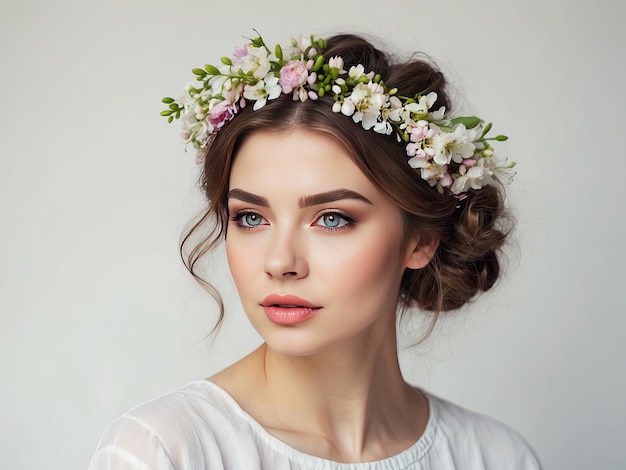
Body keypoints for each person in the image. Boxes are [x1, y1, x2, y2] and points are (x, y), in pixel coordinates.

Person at [89, 32, 540, 469]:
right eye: (251, 218)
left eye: (332, 218)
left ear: (420, 240)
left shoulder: (496, 457)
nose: (280, 262)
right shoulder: (161, 452)